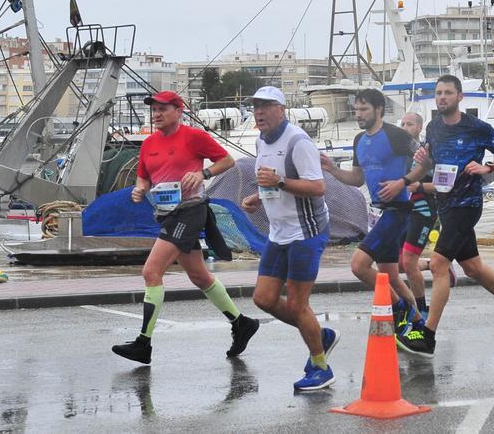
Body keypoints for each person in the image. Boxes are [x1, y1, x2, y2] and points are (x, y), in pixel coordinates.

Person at [112, 91, 258, 364]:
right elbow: (144, 177)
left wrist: (202, 173)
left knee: (151, 271)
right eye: (154, 109)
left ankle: (143, 343)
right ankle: (242, 323)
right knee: (200, 277)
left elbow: (226, 161)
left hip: (190, 212)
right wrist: (139, 190)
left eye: (163, 109)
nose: (156, 114)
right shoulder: (149, 144)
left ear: (179, 111)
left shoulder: (194, 137)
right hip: (167, 215)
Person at [395, 75, 494, 357]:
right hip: (444, 204)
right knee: (473, 268)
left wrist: (488, 168)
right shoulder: (433, 128)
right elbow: (431, 163)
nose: (441, 97)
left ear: (459, 97)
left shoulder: (476, 128)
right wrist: (419, 167)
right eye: (438, 93)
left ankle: (428, 336)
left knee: (438, 263)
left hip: (467, 205)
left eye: (447, 93)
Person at [240, 86, 338, 391]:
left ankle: (321, 367)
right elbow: (273, 181)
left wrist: (280, 181)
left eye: (266, 106)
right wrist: (259, 195)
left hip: (305, 232)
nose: (259, 112)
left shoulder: (298, 142)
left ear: (281, 110)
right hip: (278, 232)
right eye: (255, 107)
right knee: (264, 299)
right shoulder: (260, 140)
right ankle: (319, 336)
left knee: (297, 305)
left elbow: (318, 187)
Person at [320, 89, 425, 331]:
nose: (358, 114)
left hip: (398, 211)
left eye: (364, 109)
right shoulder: (359, 140)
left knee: (359, 265)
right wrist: (332, 169)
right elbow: (357, 178)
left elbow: (426, 161)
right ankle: (419, 325)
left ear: (378, 110)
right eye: (356, 110)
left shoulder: (396, 135)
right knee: (391, 278)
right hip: (378, 213)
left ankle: (401, 311)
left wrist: (403, 182)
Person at [397, 111, 455, 312]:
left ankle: (421, 309)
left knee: (409, 261)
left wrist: (420, 187)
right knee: (397, 265)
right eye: (402, 124)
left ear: (420, 128)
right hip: (401, 213)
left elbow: (447, 185)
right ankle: (435, 265)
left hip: (423, 211)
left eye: (409, 124)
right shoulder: (399, 154)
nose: (404, 128)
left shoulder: (428, 152)